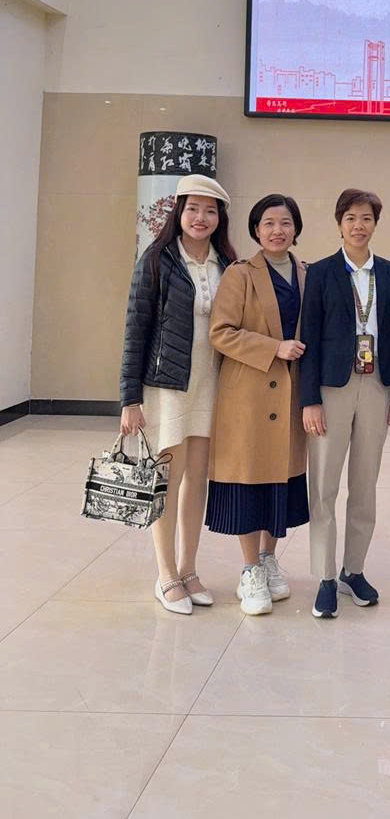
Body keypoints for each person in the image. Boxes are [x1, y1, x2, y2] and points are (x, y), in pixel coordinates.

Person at [119, 174, 235, 615]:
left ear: (220, 217)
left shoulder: (228, 262)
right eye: (193, 209)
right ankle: (165, 574)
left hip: (211, 382)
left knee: (197, 479)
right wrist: (130, 399)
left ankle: (188, 569)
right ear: (179, 212)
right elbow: (135, 330)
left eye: (210, 210)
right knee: (168, 479)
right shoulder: (157, 260)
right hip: (166, 387)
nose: (200, 217)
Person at [299, 188, 390, 619]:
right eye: (351, 218)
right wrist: (309, 400)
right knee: (324, 486)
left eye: (366, 218)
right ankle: (325, 577)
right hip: (332, 389)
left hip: (377, 386)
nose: (359, 226)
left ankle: (353, 570)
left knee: (365, 485)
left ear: (375, 224)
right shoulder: (321, 272)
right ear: (339, 224)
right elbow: (308, 337)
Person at [207, 194, 310, 616]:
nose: (277, 231)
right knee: (248, 479)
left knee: (279, 480)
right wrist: (274, 347)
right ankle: (250, 569)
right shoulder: (240, 274)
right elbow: (221, 332)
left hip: (290, 395)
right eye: (268, 223)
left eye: (285, 222)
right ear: (255, 230)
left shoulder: (308, 273)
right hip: (248, 395)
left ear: (296, 228)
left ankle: (269, 559)